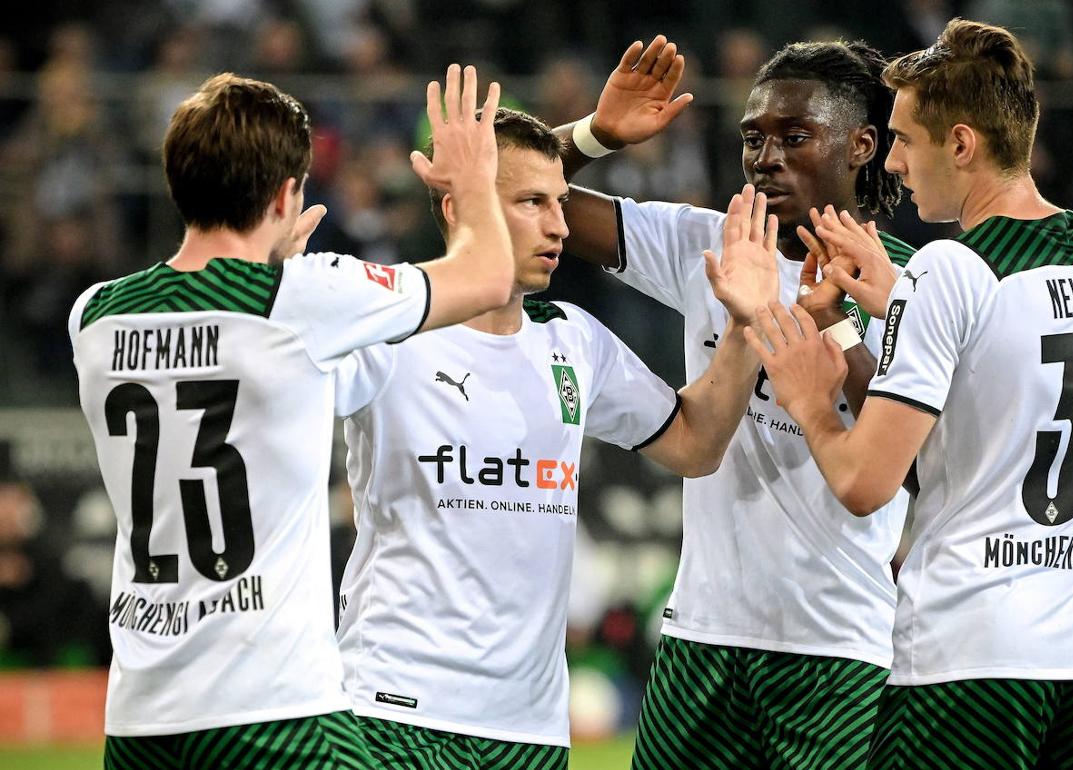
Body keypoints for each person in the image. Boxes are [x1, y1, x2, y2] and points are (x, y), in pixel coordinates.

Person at [69, 65, 516, 768]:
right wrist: (471, 182)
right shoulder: (304, 296)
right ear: (286, 194)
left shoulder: (93, 312)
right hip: (276, 710)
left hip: (141, 717)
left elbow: (211, 346)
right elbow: (489, 275)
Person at [748, 19, 1073, 768]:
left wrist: (811, 396)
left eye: (905, 139)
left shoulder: (948, 271)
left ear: (962, 143)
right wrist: (864, 320)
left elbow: (867, 481)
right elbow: (1000, 390)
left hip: (970, 658)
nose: (896, 162)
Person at [332, 106, 777, 770]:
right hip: (394, 708)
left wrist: (744, 327)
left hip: (531, 729)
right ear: (458, 207)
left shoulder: (572, 339)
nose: (561, 225)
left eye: (561, 202)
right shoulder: (387, 325)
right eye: (532, 202)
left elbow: (695, 444)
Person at [555, 36, 915, 768]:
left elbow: (910, 459)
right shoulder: (707, 247)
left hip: (836, 648)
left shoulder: (911, 284)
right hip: (700, 640)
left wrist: (830, 322)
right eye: (754, 138)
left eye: (795, 136)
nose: (766, 156)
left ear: (862, 144)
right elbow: (503, 195)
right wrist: (596, 134)